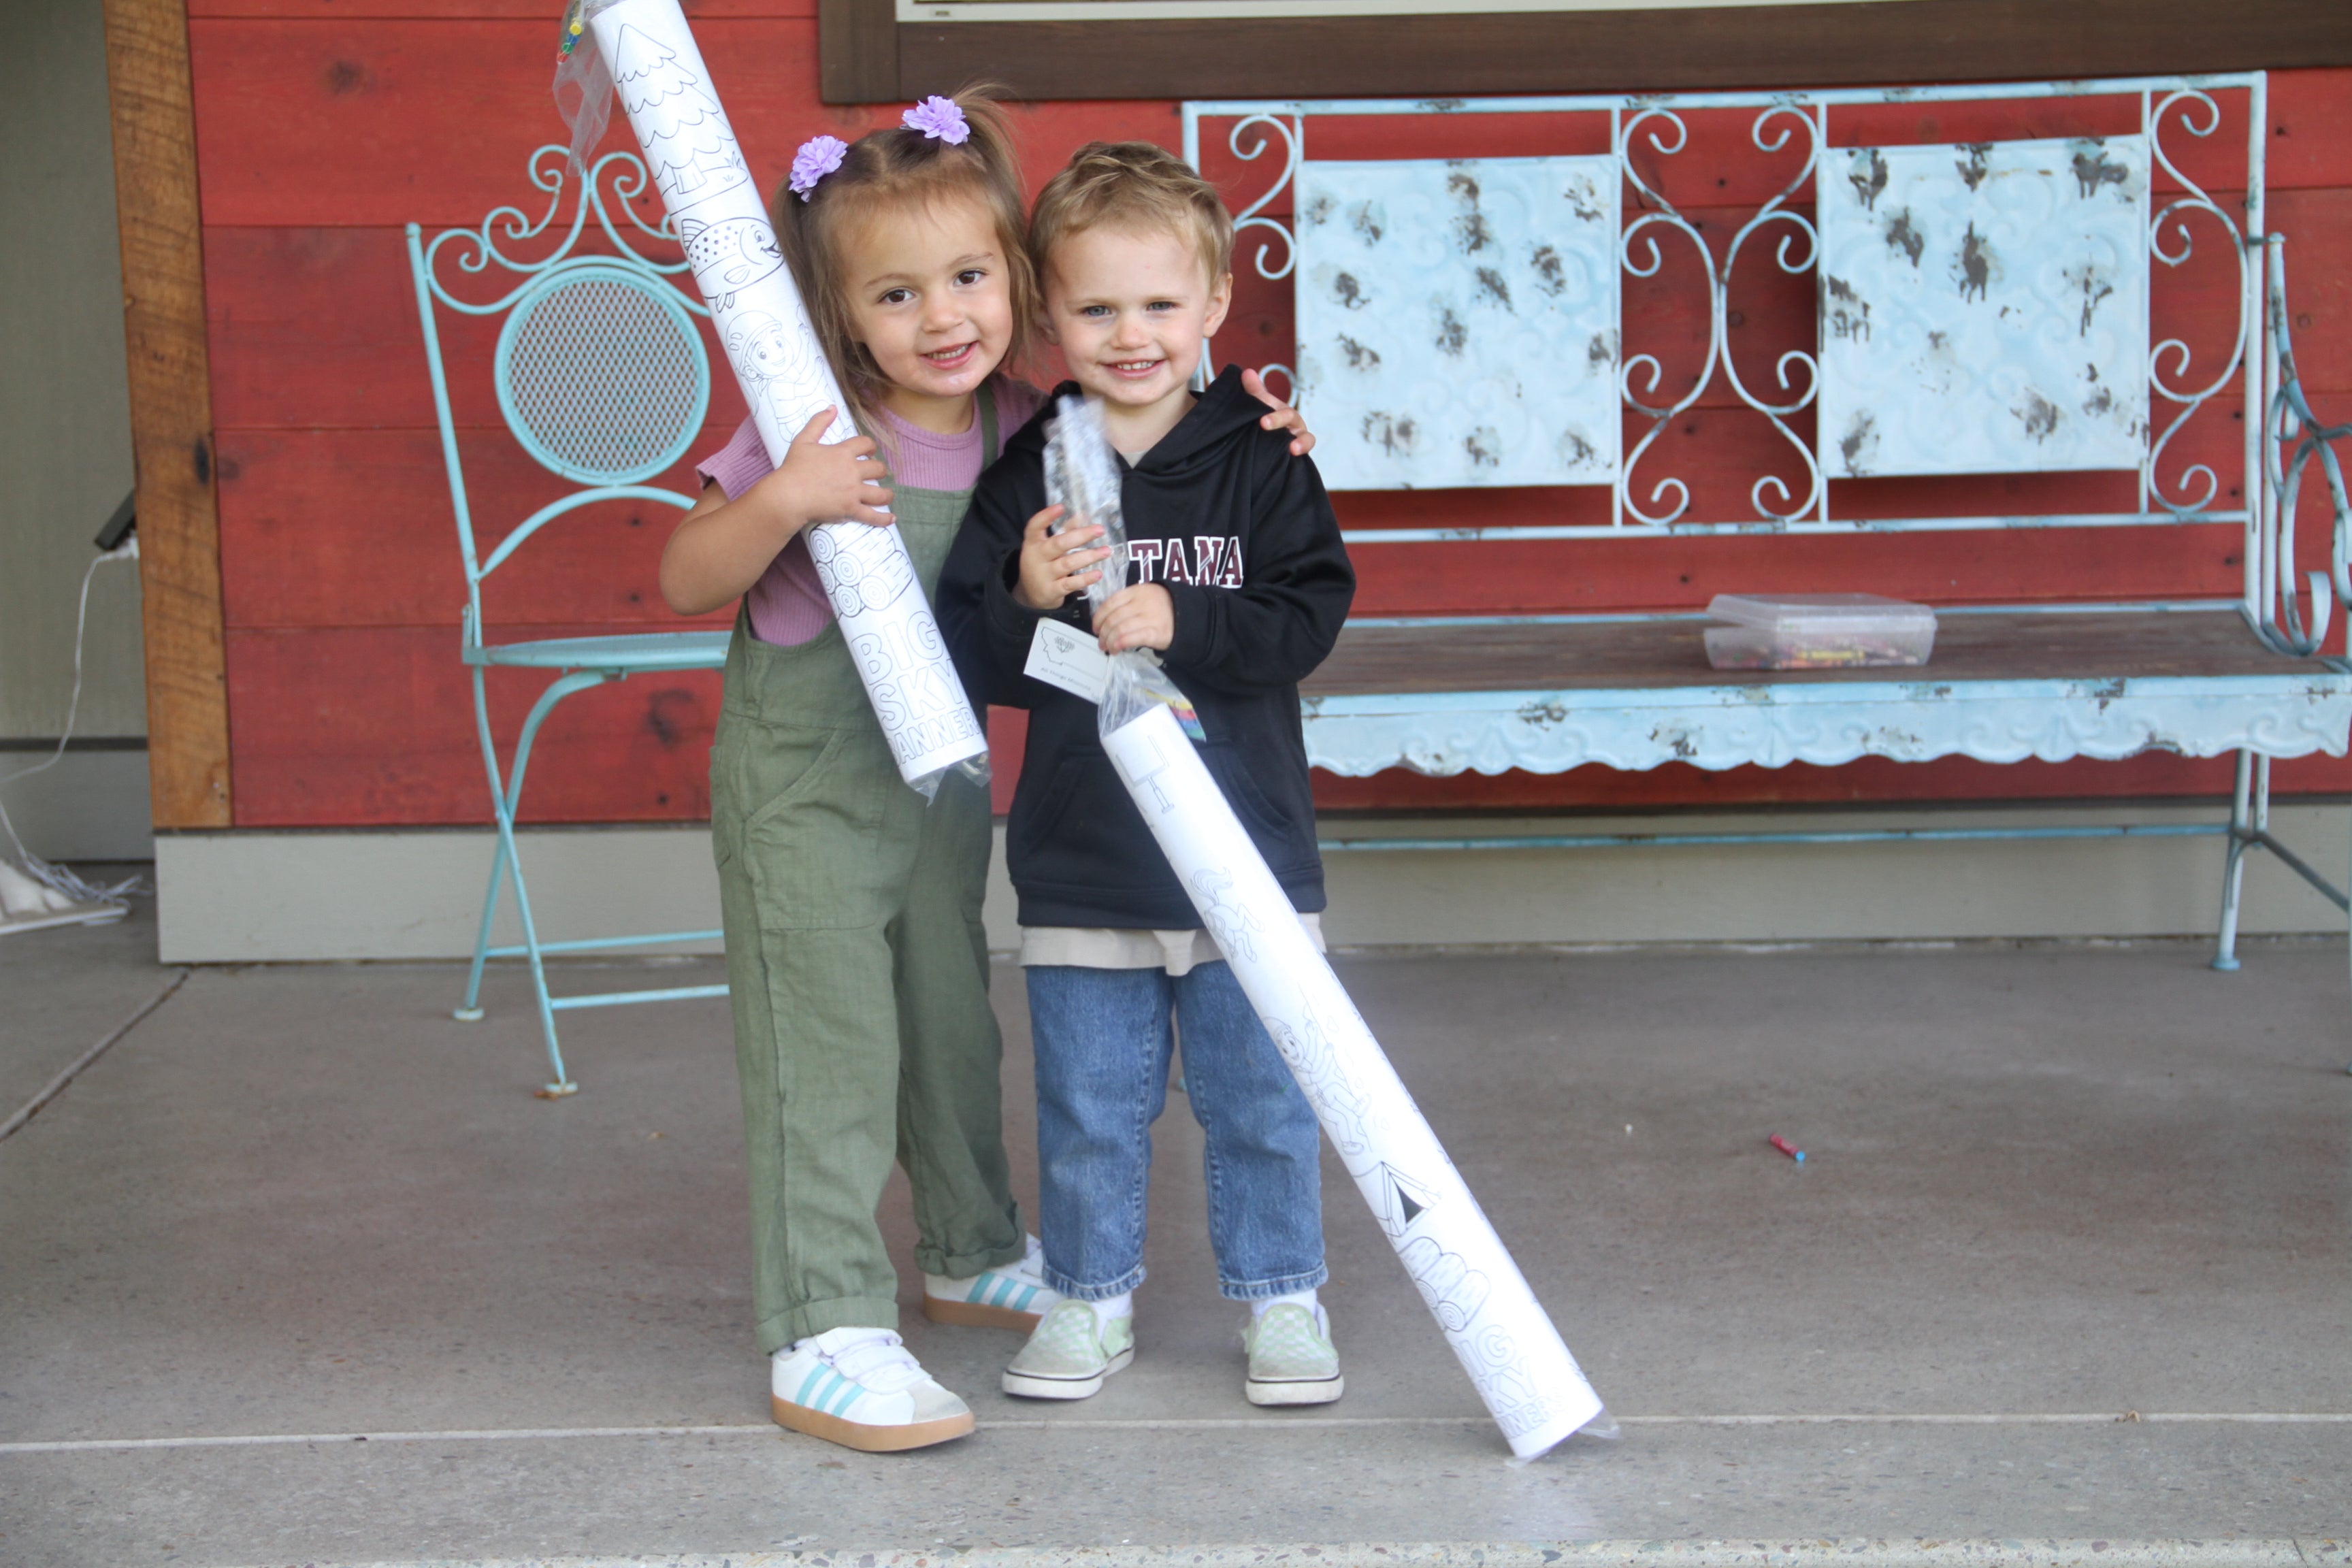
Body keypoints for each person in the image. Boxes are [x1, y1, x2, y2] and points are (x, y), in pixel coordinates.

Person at [659, 95, 1316, 1452]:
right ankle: (828, 1320)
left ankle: (966, 1247)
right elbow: (683, 574)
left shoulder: (1031, 412)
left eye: (969, 278)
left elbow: (1154, 368)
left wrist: (1261, 417)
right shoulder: (813, 424)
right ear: (841, 317)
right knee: (830, 1048)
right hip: (807, 789)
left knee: (951, 1026)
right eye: (896, 294)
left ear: (1018, 285)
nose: (942, 317)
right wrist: (784, 501)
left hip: (943, 794)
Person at [936, 141, 1357, 1409]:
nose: (1131, 335)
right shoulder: (1034, 476)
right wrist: (1026, 595)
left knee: (1264, 1103)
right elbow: (980, 656)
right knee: (1091, 1109)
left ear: (1216, 305)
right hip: (1088, 858)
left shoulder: (1261, 456)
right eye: (1097, 308)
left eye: (1161, 304)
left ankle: (1283, 1299)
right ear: (1047, 314)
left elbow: (1307, 616)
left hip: (1249, 847)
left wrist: (1183, 622)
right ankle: (1088, 1299)